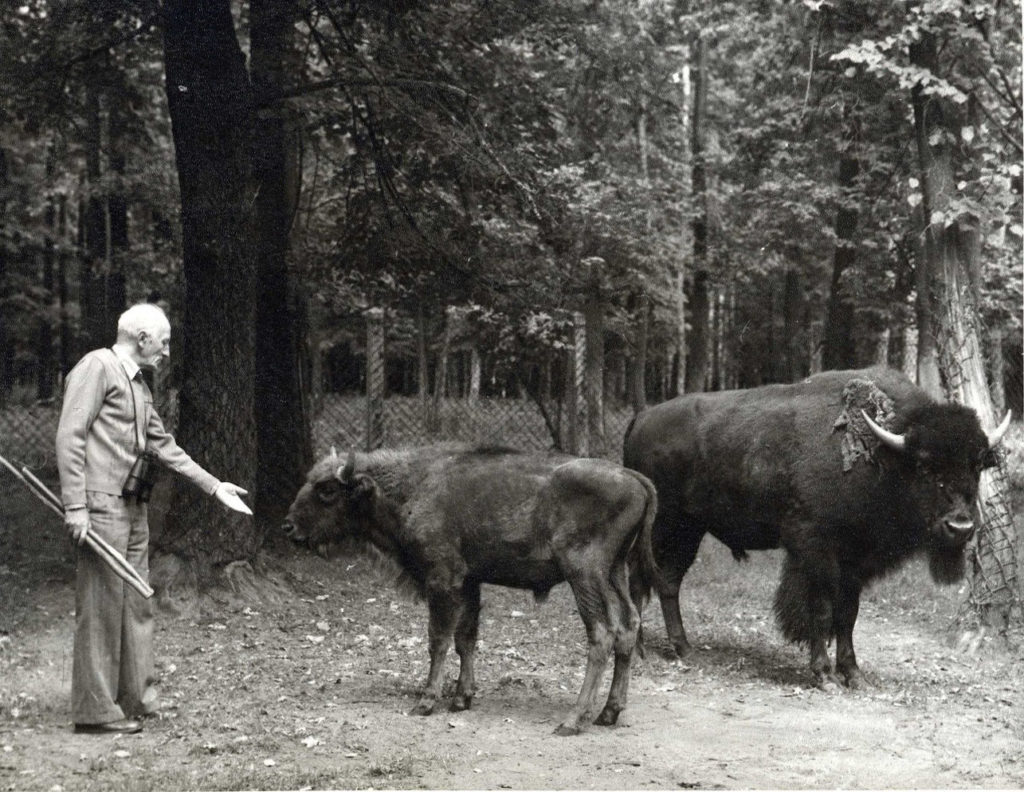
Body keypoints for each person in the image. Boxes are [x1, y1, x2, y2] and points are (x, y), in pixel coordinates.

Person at [56, 302, 252, 735]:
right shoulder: (97, 368)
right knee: (101, 605)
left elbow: (165, 447)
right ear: (142, 338)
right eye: (162, 343)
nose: (165, 352)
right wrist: (75, 505)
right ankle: (95, 711)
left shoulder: (139, 386)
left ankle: (136, 698)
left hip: (133, 506)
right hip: (100, 503)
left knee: (136, 601)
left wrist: (215, 486)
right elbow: (70, 436)